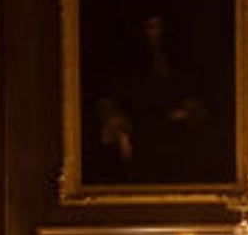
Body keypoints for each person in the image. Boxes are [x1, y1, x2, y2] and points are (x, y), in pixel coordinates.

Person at [86, 12, 219, 184]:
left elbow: (191, 94)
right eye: (150, 28)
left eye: (159, 28)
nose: (156, 34)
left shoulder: (178, 60)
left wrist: (187, 111)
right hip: (139, 133)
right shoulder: (126, 64)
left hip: (175, 133)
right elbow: (110, 102)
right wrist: (120, 130)